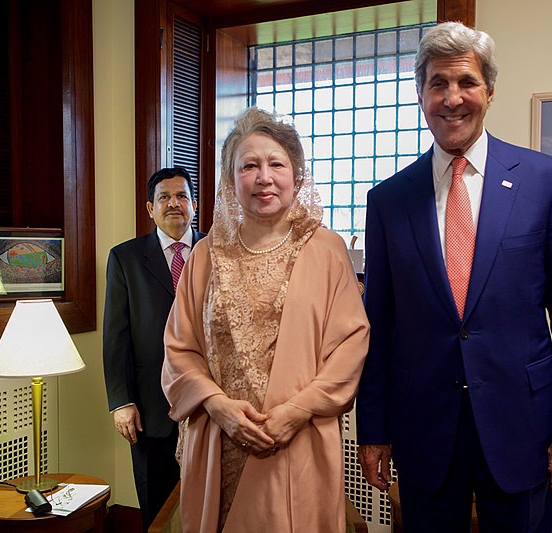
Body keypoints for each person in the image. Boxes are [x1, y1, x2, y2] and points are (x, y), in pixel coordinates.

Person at [356, 22, 552, 532]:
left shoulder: (545, 182)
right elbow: (379, 327)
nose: (452, 98)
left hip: (523, 427)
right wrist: (372, 430)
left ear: (489, 89)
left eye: (466, 82)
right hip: (424, 429)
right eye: (438, 83)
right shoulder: (387, 201)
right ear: (420, 93)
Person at [162, 108, 369, 532]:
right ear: (230, 178)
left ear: (296, 175)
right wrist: (218, 406)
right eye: (249, 165)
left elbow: (351, 345)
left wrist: (295, 412)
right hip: (220, 440)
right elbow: (179, 347)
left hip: (296, 438)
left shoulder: (327, 249)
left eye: (276, 164)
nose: (264, 177)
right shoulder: (205, 255)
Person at [103, 167, 205, 529]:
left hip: (213, 404)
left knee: (213, 504)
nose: (174, 204)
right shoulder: (125, 259)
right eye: (164, 197)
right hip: (150, 408)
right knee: (157, 507)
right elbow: (115, 336)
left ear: (194, 204)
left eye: (182, 196)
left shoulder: (218, 252)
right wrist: (121, 400)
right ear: (150, 208)